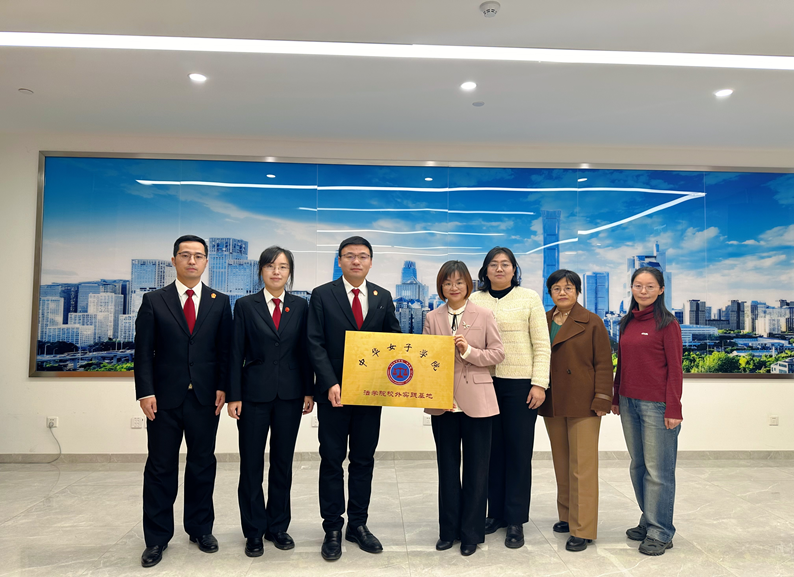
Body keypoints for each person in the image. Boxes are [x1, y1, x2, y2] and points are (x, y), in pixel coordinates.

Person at [134, 234, 233, 568]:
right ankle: (157, 538)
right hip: (163, 399)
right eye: (185, 255)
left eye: (198, 256)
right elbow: (143, 352)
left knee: (202, 464)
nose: (192, 261)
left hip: (206, 397)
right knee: (160, 467)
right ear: (174, 259)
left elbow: (225, 351)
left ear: (206, 262)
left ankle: (200, 529)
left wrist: (224, 387)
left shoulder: (220, 301)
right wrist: (145, 392)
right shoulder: (154, 300)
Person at [307, 236, 402, 561]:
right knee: (332, 460)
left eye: (362, 256)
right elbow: (314, 343)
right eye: (349, 256)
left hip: (370, 394)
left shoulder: (382, 296)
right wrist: (329, 382)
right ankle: (332, 528)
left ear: (371, 262)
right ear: (340, 260)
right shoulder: (322, 294)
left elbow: (393, 340)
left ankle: (358, 525)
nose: (356, 261)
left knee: (363, 461)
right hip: (333, 395)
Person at [226, 246, 315, 558]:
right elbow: (235, 352)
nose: (276, 272)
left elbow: (306, 352)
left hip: (290, 396)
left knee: (282, 463)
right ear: (261, 270)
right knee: (251, 465)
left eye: (283, 267)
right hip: (253, 396)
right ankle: (253, 531)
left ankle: (277, 526)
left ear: (290, 272)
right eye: (270, 266)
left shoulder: (300, 306)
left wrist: (309, 391)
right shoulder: (245, 305)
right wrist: (234, 395)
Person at [469, 247, 551, 548]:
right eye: (494, 264)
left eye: (506, 264)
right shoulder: (474, 300)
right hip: (483, 383)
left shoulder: (529, 298)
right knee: (490, 452)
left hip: (520, 385)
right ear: (485, 271)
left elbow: (542, 344)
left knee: (518, 452)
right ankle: (496, 514)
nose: (500, 269)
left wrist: (539, 384)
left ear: (514, 270)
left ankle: (516, 519)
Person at [424, 260, 504, 556]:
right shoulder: (432, 317)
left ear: (468, 285)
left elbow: (498, 353)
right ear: (441, 287)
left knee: (476, 470)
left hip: (478, 402)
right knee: (447, 469)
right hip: (443, 403)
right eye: (447, 283)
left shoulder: (483, 314)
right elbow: (425, 358)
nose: (453, 287)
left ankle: (471, 533)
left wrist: (468, 351)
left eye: (459, 282)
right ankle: (448, 531)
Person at [612, 266, 683, 556]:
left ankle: (661, 531)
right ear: (631, 288)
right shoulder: (626, 322)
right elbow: (623, 362)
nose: (643, 291)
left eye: (650, 286)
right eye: (638, 285)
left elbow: (676, 369)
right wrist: (616, 395)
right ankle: (649, 519)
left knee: (659, 471)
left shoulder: (668, 324)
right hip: (628, 401)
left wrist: (674, 407)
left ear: (661, 290)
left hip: (657, 405)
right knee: (638, 466)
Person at [540, 270, 613, 552]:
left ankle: (583, 528)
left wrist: (602, 399)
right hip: (553, 399)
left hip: (584, 402)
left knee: (582, 466)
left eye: (568, 288)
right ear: (550, 293)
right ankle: (567, 515)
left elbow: (604, 364)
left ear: (578, 291)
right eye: (556, 288)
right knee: (562, 462)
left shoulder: (593, 322)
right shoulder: (543, 320)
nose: (562, 292)